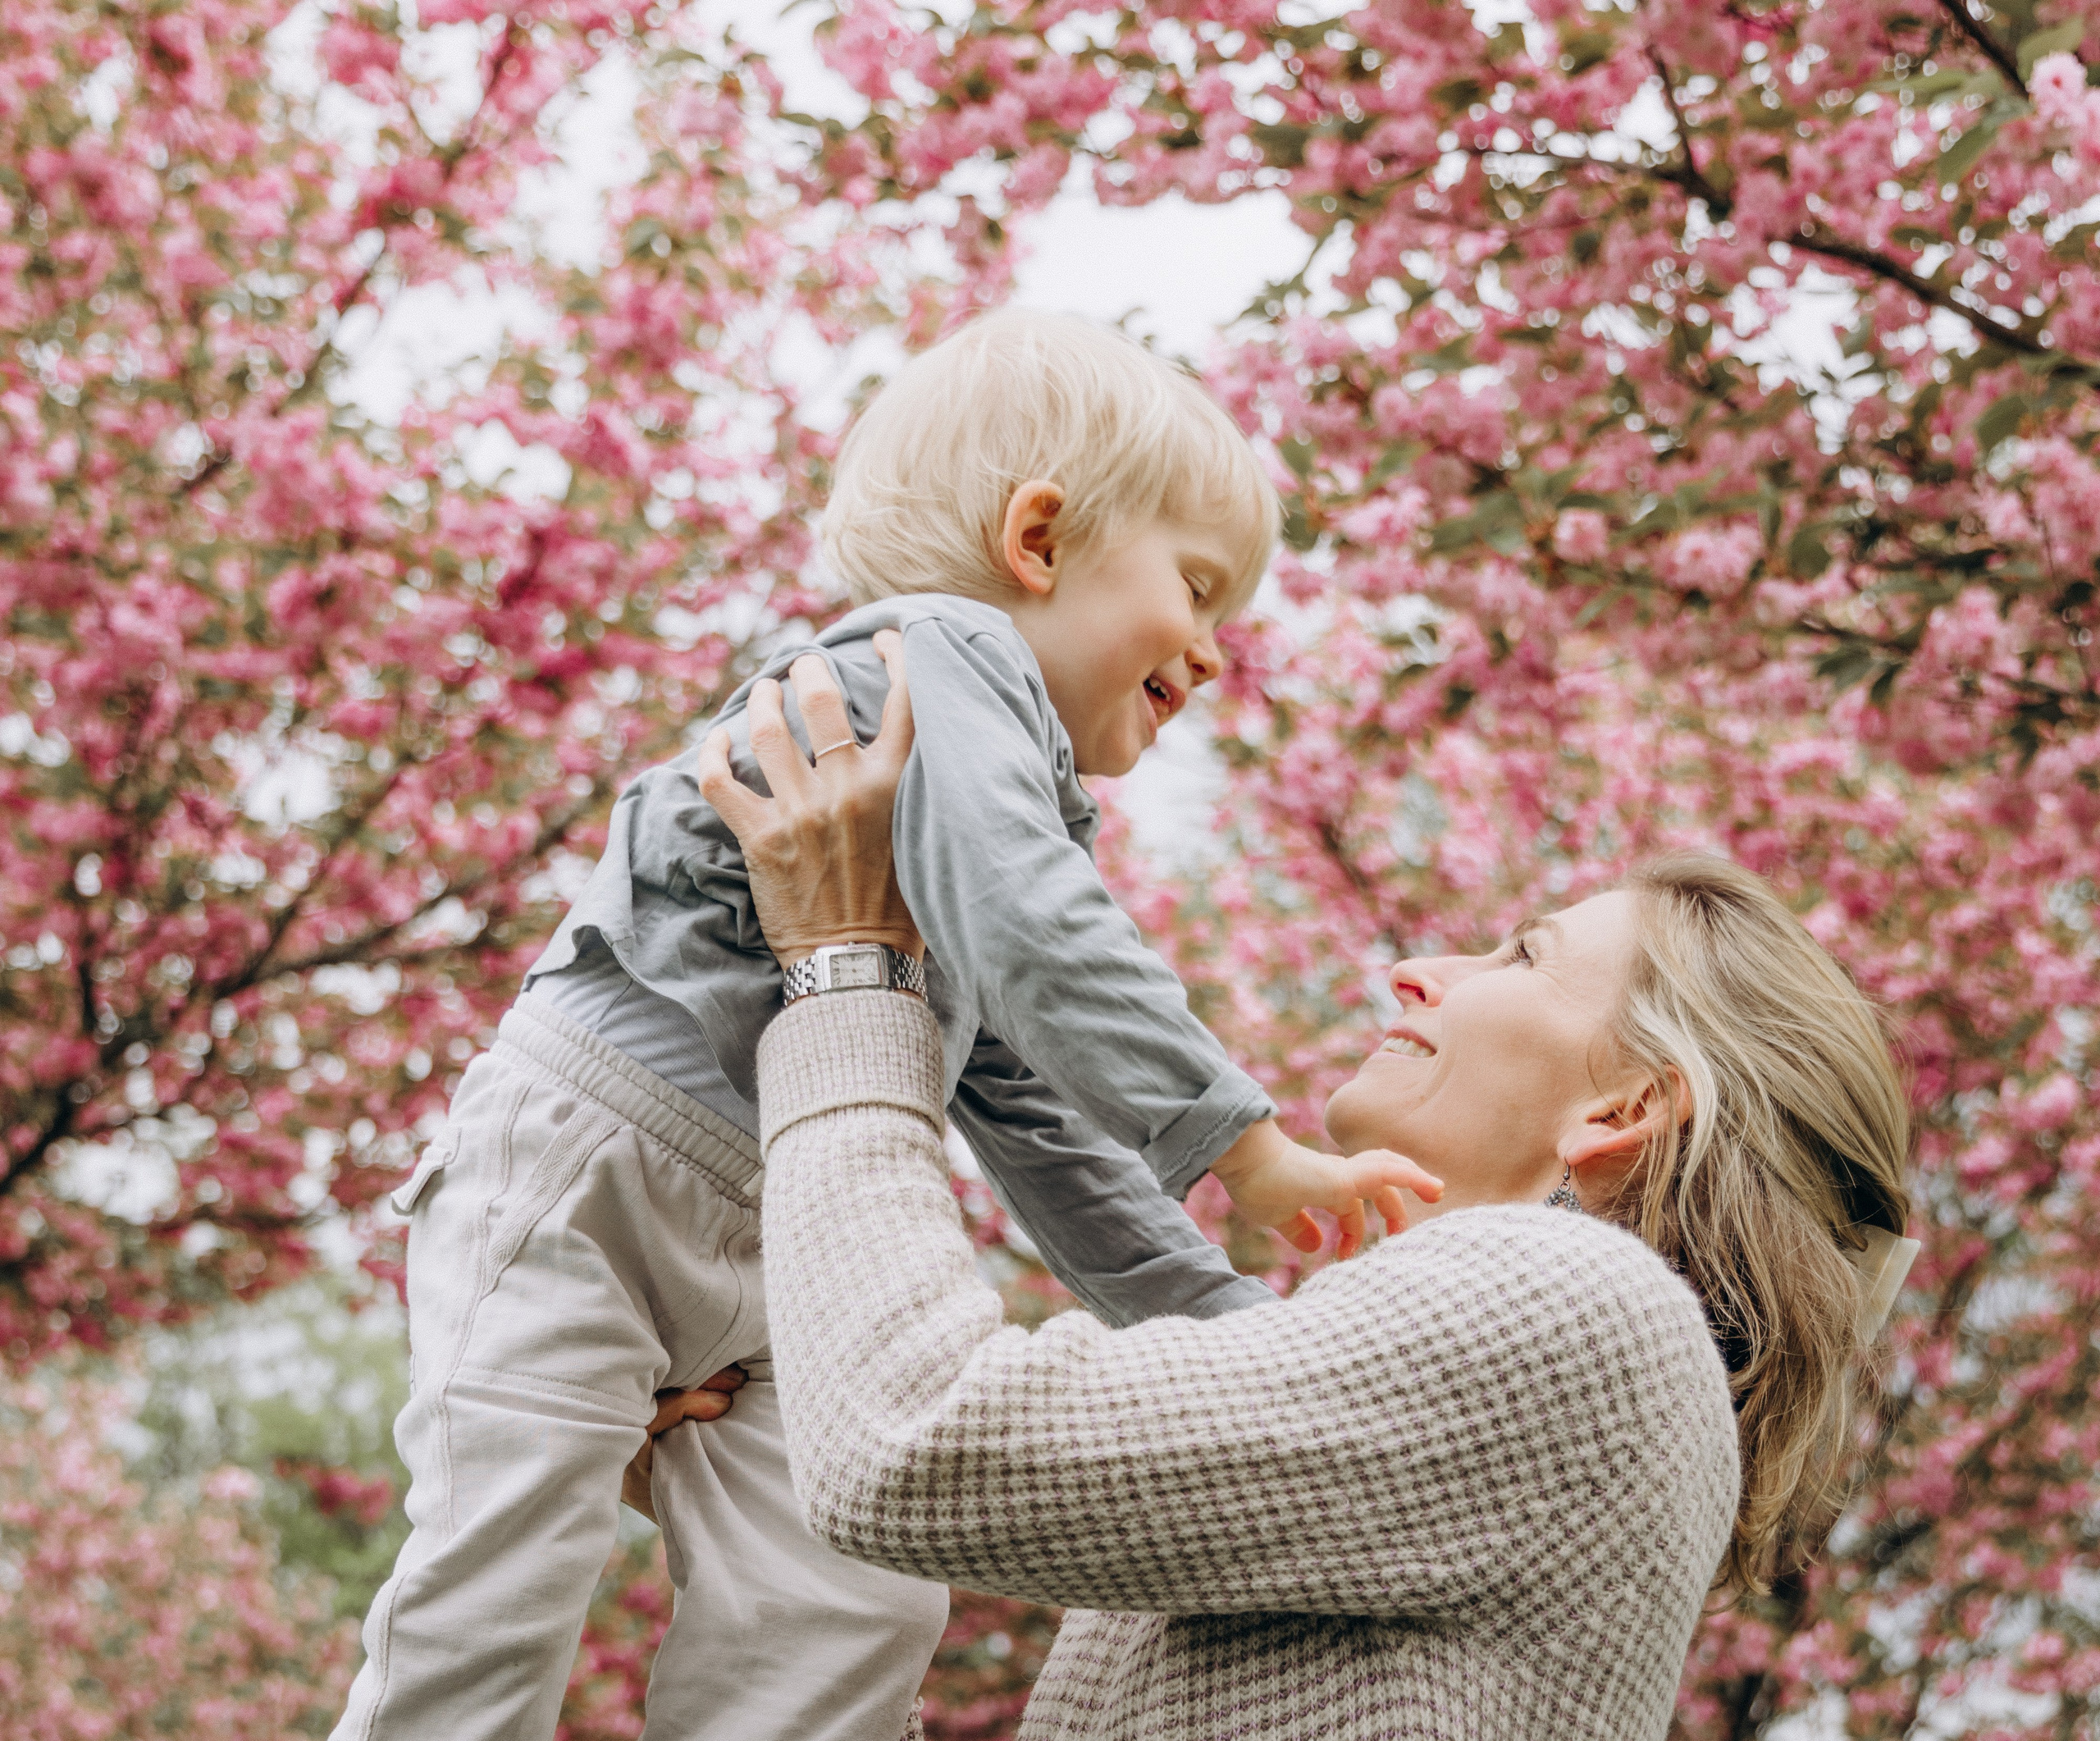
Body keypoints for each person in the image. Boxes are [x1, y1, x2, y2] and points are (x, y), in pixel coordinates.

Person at [331, 311, 1436, 1741]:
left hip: (784, 1239)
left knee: (853, 1593)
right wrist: (1253, 1145)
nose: (1217, 653)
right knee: (501, 1579)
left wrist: (1231, 1336)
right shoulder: (939, 660)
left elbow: (1033, 1110)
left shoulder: (999, 796)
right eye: (1202, 588)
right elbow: (1037, 923)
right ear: (1037, 538)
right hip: (586, 1179)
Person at [684, 648, 1922, 1740]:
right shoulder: (1502, 1390)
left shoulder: (1588, 1310)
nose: (1418, 967)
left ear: (1626, 1108)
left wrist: (847, 963)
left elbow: (913, 1443)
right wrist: (734, 1461)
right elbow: (906, 1458)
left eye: (1523, 953)